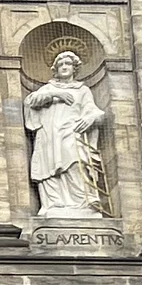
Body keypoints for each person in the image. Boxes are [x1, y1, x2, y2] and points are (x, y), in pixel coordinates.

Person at [25, 50, 107, 218]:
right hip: (49, 136)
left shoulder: (82, 90)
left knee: (76, 163)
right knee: (48, 168)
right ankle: (53, 204)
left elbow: (96, 113)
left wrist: (90, 118)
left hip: (71, 134)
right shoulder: (48, 88)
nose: (64, 67)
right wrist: (55, 93)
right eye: (60, 64)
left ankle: (84, 204)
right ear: (55, 69)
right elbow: (30, 101)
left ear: (74, 68)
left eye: (68, 64)